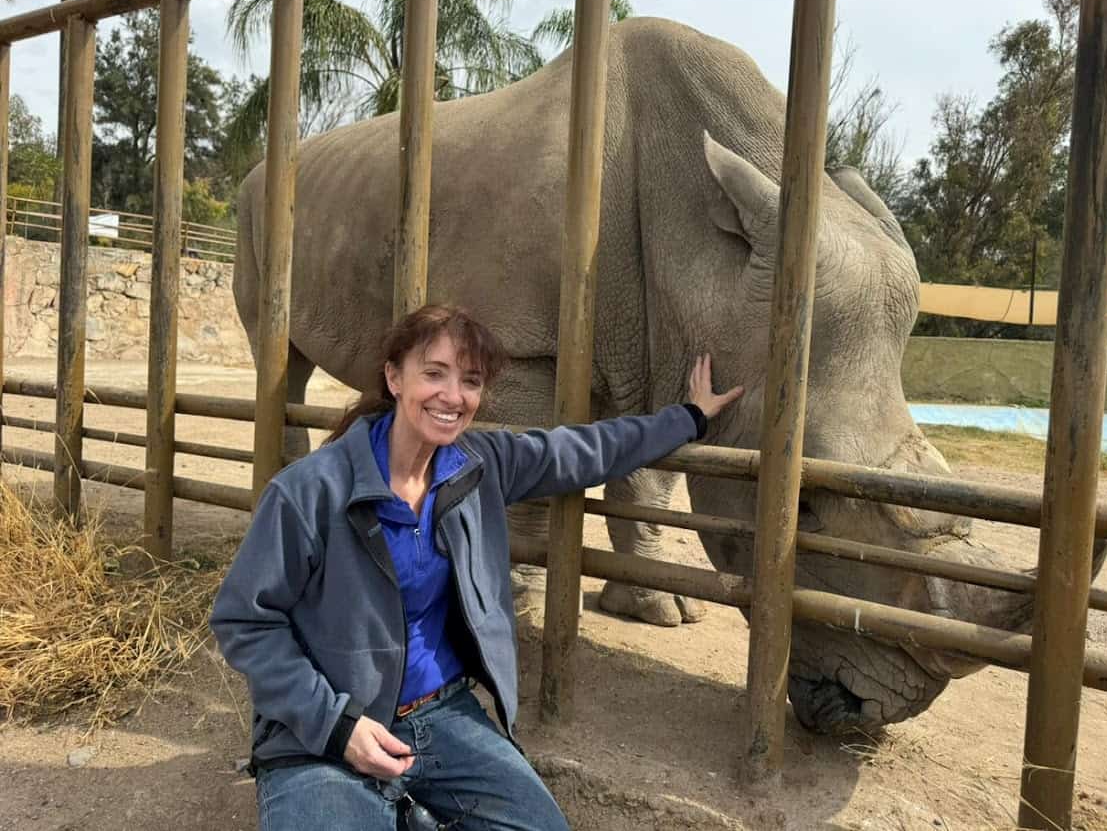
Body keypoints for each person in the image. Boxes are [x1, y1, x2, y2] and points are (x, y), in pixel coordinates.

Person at [210, 304, 744, 831]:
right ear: (394, 377)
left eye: (470, 380)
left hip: (439, 717)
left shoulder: (478, 467)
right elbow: (244, 621)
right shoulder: (309, 491)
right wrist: (335, 724)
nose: (453, 396)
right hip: (325, 732)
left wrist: (689, 418)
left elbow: (585, 449)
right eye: (434, 374)